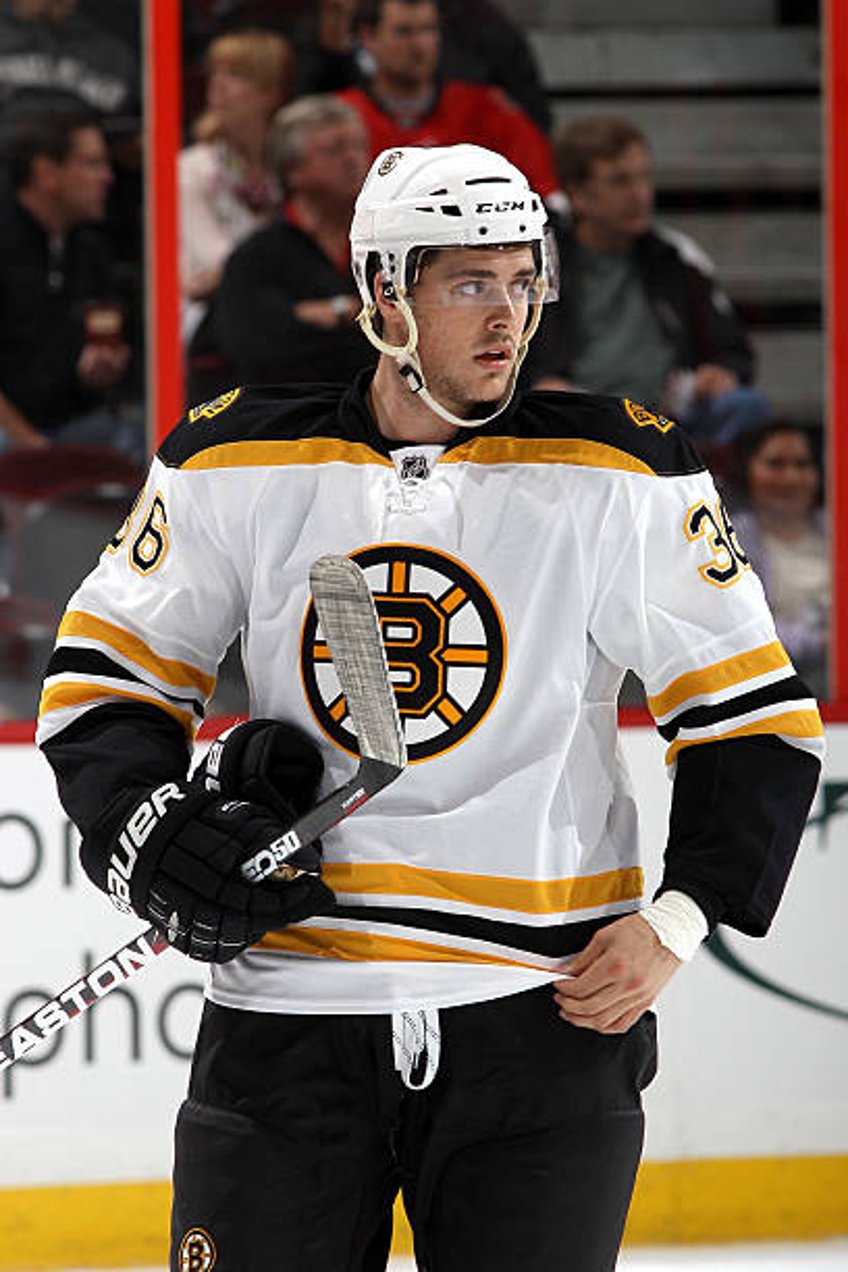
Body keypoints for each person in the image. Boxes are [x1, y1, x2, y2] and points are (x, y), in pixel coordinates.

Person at [36, 144, 822, 1271]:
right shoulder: (229, 459)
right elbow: (107, 681)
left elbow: (750, 719)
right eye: (468, 284)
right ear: (381, 296)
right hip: (286, 1021)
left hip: (539, 1025)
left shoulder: (622, 473)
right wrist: (145, 835)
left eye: (522, 280)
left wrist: (681, 919)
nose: (506, 317)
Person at [530, 115, 771, 444]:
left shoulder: (676, 258)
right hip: (576, 420)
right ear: (578, 194)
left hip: (670, 422)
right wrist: (542, 384)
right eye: (620, 182)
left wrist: (719, 373)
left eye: (644, 177)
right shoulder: (537, 263)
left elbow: (732, 350)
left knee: (744, 406)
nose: (640, 195)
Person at [211, 94, 375, 390]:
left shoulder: (384, 248)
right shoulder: (257, 257)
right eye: (334, 149)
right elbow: (260, 348)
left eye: (359, 146)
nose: (354, 159)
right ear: (292, 170)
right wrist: (355, 315)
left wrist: (321, 317)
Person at [0, 105, 139, 456]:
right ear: (46, 172)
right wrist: (31, 446)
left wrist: (95, 373)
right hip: (11, 432)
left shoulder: (90, 251)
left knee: (137, 439)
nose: (107, 177)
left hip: (68, 425)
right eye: (92, 164)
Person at [334, 0, 560, 204]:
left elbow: (543, 195)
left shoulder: (487, 111)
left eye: (428, 30)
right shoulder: (340, 118)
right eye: (403, 32)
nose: (420, 46)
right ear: (367, 37)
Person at [179, 27, 294, 345]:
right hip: (208, 329)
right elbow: (220, 263)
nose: (217, 85)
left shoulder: (288, 169)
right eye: (215, 72)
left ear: (271, 92)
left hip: (276, 322)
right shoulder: (191, 169)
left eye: (236, 74)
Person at [732, 421, 829, 699]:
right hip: (770, 693)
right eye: (775, 464)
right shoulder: (732, 538)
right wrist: (828, 643)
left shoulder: (834, 527)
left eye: (802, 464)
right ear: (747, 471)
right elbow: (748, 631)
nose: (791, 477)